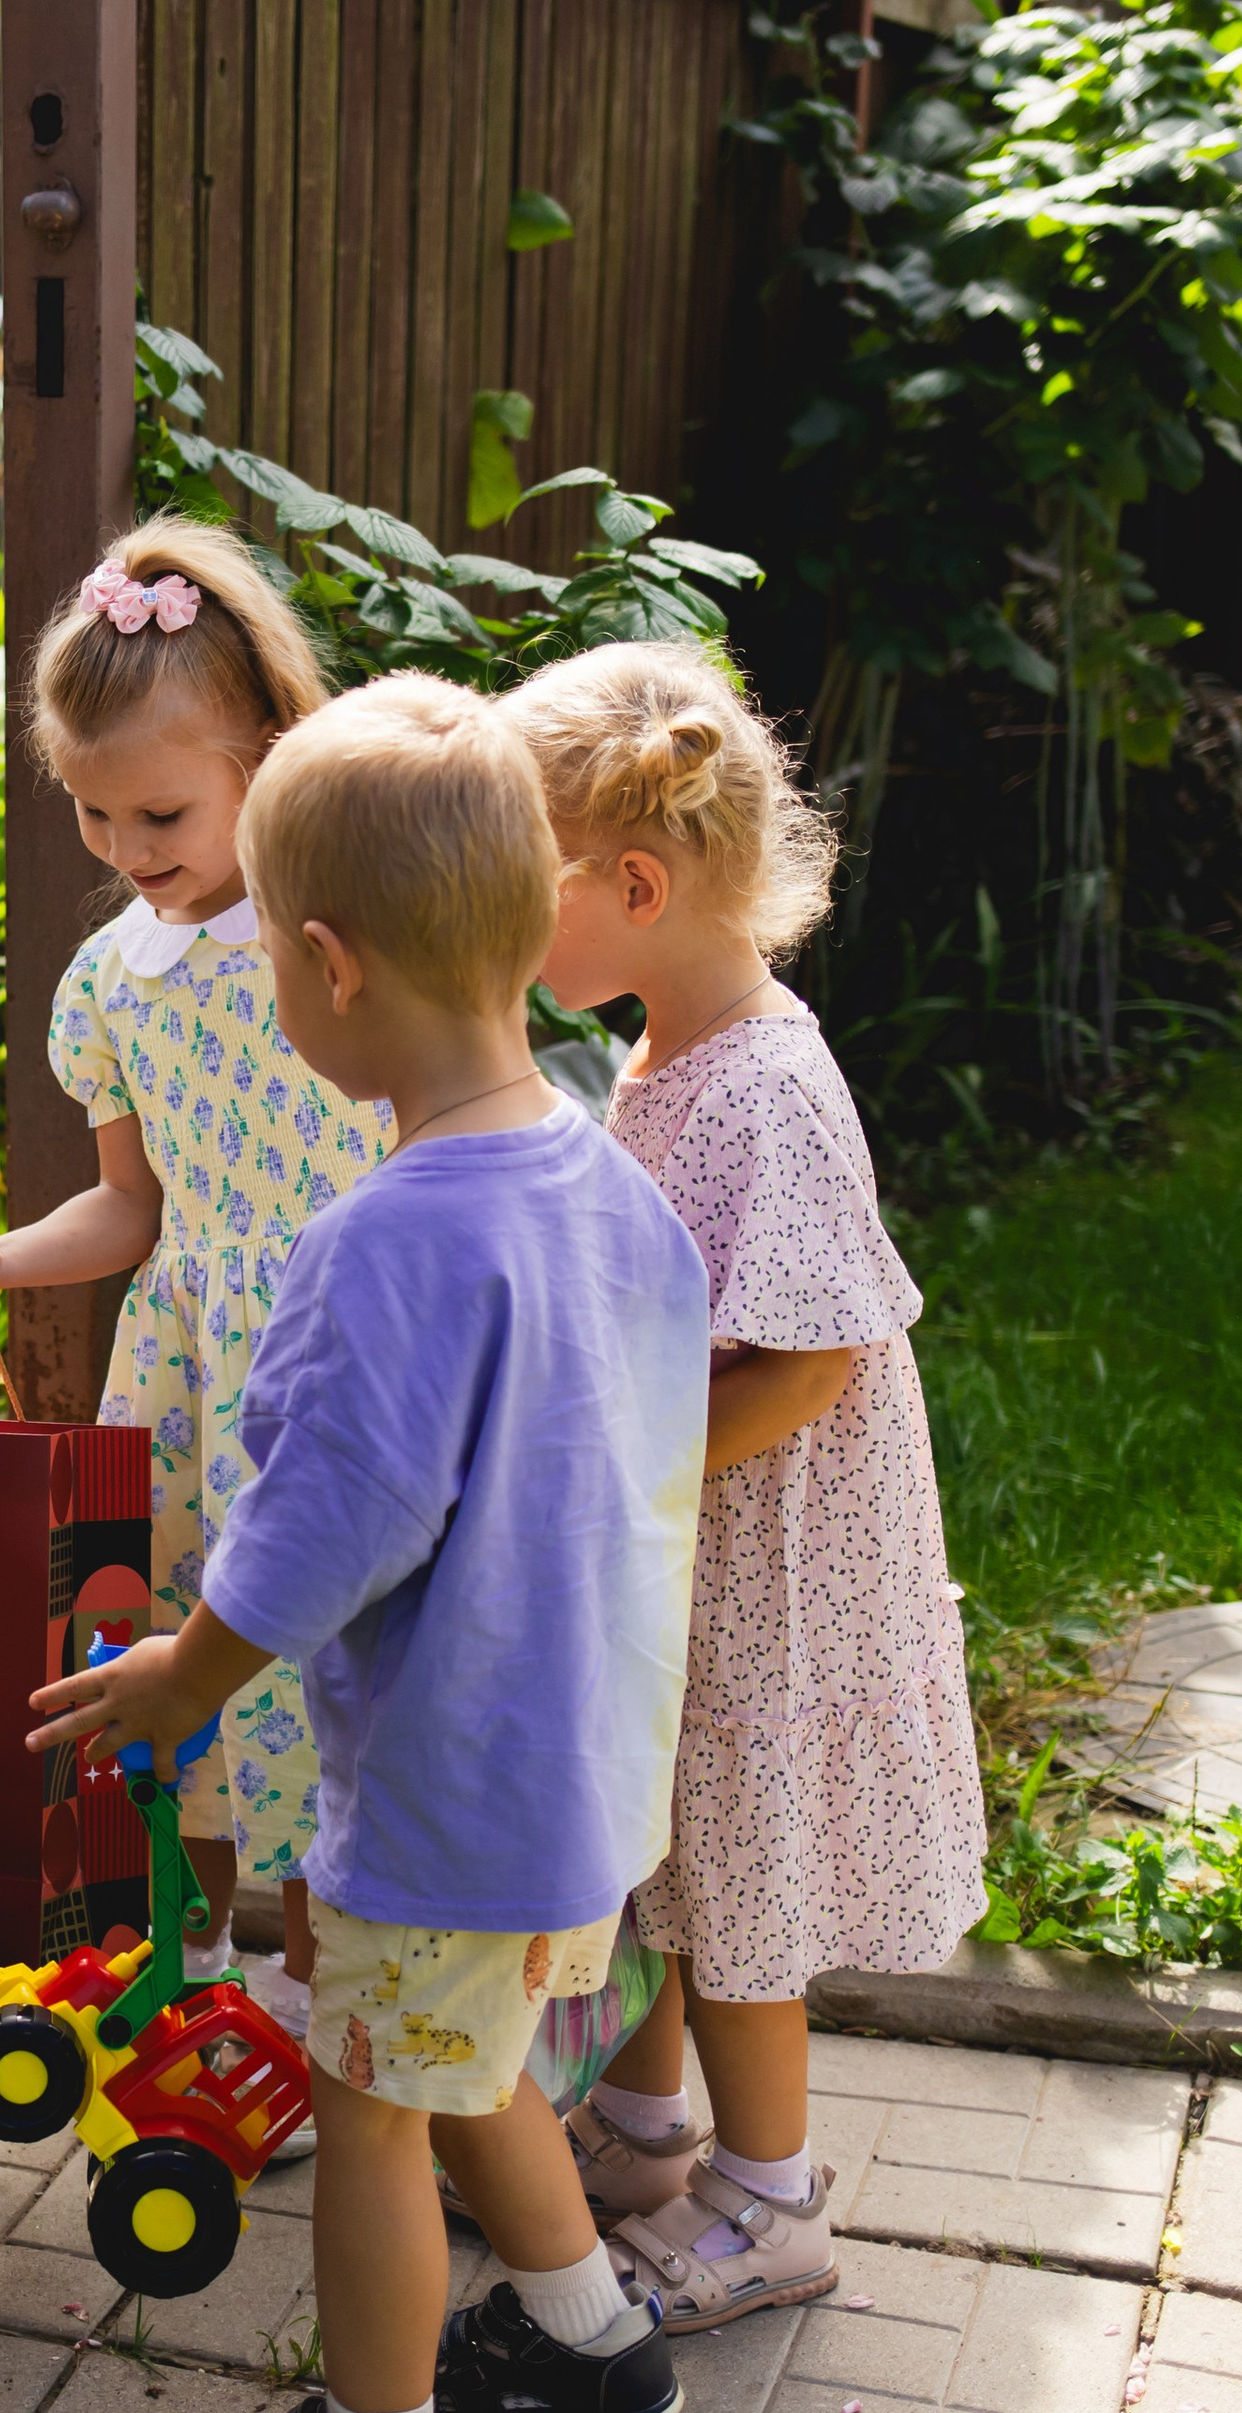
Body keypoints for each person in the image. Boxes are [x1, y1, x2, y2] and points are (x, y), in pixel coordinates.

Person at [28, 676, 710, 2413]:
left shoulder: (388, 1236)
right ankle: (591, 2341)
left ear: (323, 968)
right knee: (451, 2051)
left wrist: (183, 1672)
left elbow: (320, 1527)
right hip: (579, 1770)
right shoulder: (604, 1179)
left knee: (376, 2107)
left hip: (448, 1796)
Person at [506, 641, 987, 2327]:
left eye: (522, 885)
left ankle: (771, 2200)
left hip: (771, 1559)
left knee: (736, 1867)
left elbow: (812, 1362)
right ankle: (643, 2128)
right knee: (669, 1849)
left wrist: (619, 1471)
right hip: (704, 1541)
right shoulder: (665, 1050)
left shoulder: (765, 1087)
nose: (499, 922)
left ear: (635, 886)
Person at [0, 519, 394, 2056]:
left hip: (341, 1360)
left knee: (328, 1673)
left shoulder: (346, 945)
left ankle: (339, 2008)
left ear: (270, 747)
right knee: (174, 1673)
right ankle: (203, 1982)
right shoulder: (113, 983)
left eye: (163, 810)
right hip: (191, 1377)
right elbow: (131, 1209)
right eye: (91, 812)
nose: (128, 848)